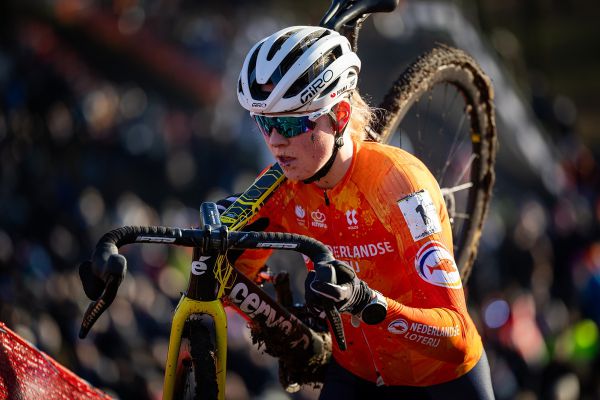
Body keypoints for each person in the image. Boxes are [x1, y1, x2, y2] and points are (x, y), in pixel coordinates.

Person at [230, 25, 495, 399]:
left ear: (339, 115)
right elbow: (234, 278)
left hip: (437, 378)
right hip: (356, 373)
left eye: (289, 122)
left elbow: (456, 336)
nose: (275, 141)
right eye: (265, 122)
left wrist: (367, 302)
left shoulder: (400, 185)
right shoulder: (281, 187)